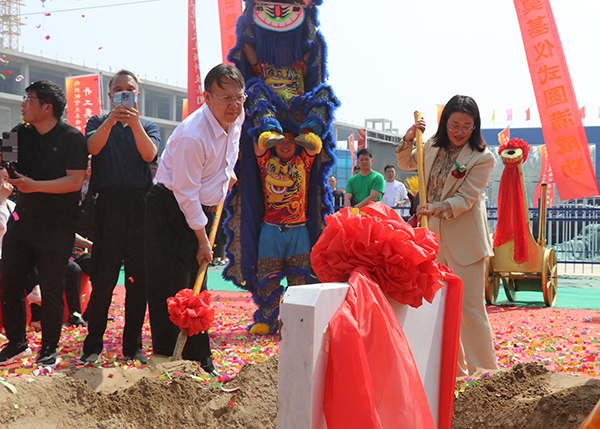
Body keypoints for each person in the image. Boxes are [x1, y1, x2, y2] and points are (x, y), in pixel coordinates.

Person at [144, 64, 245, 376]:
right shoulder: (193, 135)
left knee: (197, 290)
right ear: (207, 97)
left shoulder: (237, 116)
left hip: (203, 210)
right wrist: (202, 240)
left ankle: (201, 363)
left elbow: (228, 151)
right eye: (226, 98)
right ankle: (168, 365)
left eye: (239, 97)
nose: (234, 105)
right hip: (171, 211)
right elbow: (185, 195)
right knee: (173, 292)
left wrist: (225, 175)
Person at [396, 94, 497, 377]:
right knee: (440, 306)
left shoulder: (483, 157)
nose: (459, 131)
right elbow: (406, 161)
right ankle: (455, 372)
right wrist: (409, 137)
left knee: (470, 309)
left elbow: (466, 198)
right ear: (445, 124)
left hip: (466, 242)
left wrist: (435, 208)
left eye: (466, 126)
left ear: (475, 126)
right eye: (454, 125)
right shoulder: (431, 145)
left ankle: (485, 374)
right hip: (432, 238)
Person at [0, 80, 88, 367]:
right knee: (9, 280)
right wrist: (10, 171)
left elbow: (75, 181)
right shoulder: (17, 132)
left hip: (57, 227)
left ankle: (48, 349)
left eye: (29, 98)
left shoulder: (72, 138)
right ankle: (16, 343)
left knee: (51, 289)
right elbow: (6, 163)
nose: (23, 103)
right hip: (22, 222)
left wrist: (34, 185)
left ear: (47, 107)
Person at [80, 69, 159, 365]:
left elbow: (150, 155)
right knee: (103, 279)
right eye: (118, 89)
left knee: (138, 281)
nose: (124, 93)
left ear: (137, 94)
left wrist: (134, 123)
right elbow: (92, 147)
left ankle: (132, 346)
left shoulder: (148, 125)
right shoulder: (97, 122)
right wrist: (112, 120)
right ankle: (92, 346)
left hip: (140, 207)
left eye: (129, 89)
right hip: (107, 207)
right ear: (110, 95)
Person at [249, 131, 320, 335]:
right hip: (271, 229)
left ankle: (298, 322)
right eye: (281, 141)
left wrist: (303, 136)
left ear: (296, 144)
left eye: (290, 141)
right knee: (267, 278)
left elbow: (314, 148)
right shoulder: (266, 162)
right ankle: (267, 321)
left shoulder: (303, 161)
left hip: (299, 230)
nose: (285, 145)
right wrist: (269, 134)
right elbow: (258, 143)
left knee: (299, 280)